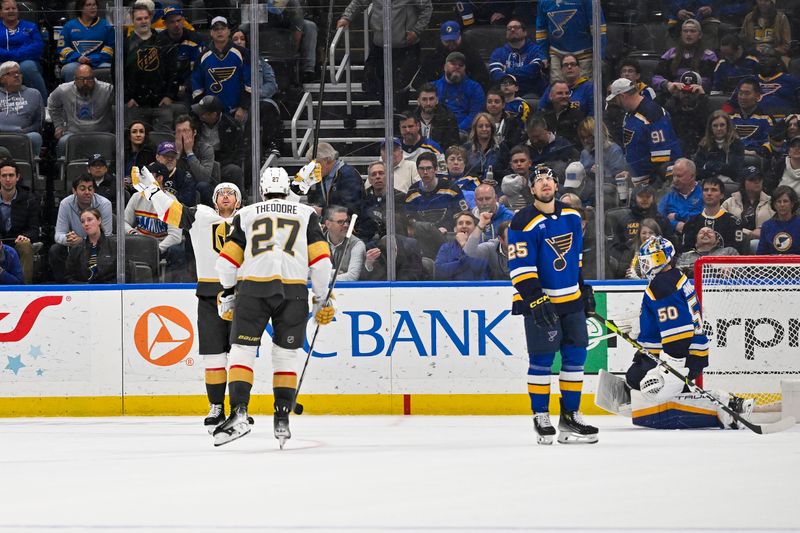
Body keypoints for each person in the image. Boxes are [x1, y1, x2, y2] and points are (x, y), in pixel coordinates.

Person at [212, 166, 334, 446]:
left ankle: (239, 412)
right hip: (293, 291)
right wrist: (321, 297)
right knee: (286, 356)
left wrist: (228, 292)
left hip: (253, 289)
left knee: (242, 350)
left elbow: (226, 262)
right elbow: (322, 262)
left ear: (263, 189)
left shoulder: (247, 214)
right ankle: (282, 417)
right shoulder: (306, 215)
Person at [132, 164, 246, 434]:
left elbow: (280, 219)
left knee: (242, 354)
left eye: (231, 193)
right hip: (208, 293)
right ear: (214, 200)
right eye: (221, 193)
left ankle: (240, 408)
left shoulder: (250, 219)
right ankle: (216, 406)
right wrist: (152, 191)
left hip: (243, 295)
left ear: (239, 200)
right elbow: (173, 212)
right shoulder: (202, 216)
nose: (226, 196)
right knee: (214, 356)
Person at [621, 235, 754, 430]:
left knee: (645, 385)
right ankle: (728, 403)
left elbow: (678, 333)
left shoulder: (662, 285)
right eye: (647, 260)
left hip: (681, 355)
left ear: (667, 258)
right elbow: (671, 317)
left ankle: (725, 411)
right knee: (636, 376)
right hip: (690, 352)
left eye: (655, 259)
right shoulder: (673, 277)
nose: (650, 265)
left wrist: (671, 367)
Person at [507, 164, 597, 445]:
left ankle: (570, 416)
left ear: (557, 186)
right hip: (539, 302)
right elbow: (519, 268)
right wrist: (535, 298)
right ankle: (541, 415)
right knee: (542, 360)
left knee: (575, 358)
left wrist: (584, 288)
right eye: (539, 180)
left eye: (550, 179)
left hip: (571, 301)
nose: (545, 183)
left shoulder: (572, 216)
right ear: (531, 189)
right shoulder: (522, 221)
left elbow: (575, 261)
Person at [338, 0, 431, 112]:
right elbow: (359, 2)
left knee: (400, 87)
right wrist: (346, 17)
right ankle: (388, 112)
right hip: (380, 45)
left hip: (406, 48)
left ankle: (399, 118)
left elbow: (427, 7)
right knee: (373, 79)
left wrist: (417, 31)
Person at [606, 78, 682, 189]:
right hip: (638, 180)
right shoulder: (629, 114)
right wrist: (631, 171)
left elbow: (661, 159)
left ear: (622, 96)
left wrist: (640, 177)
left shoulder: (653, 114)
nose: (616, 104)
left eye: (616, 99)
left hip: (656, 181)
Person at [124, 162, 184, 276]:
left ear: (159, 178)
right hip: (139, 243)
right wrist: (133, 233)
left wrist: (155, 249)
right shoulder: (136, 197)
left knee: (177, 251)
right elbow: (124, 222)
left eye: (148, 175)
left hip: (161, 247)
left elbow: (175, 236)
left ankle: (171, 287)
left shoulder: (172, 202)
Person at [51, 175, 114, 282]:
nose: (87, 192)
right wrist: (68, 238)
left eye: (90, 188)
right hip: (74, 247)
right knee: (55, 250)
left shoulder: (104, 204)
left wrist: (84, 241)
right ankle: (64, 286)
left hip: (99, 245)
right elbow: (58, 234)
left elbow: (107, 235)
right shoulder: (65, 204)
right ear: (74, 191)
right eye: (82, 188)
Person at [191, 16, 251, 123]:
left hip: (237, 112)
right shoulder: (202, 56)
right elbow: (197, 86)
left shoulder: (242, 53)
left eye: (222, 29)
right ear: (211, 33)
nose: (220, 32)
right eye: (216, 29)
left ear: (228, 31)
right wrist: (205, 110)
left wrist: (243, 107)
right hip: (211, 114)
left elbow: (249, 83)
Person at [124, 2, 173, 131]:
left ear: (151, 18)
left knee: (163, 142)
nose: (143, 21)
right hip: (136, 105)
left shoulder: (163, 41)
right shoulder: (125, 44)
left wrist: (169, 95)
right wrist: (127, 98)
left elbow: (172, 70)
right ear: (133, 21)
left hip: (161, 103)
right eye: (139, 19)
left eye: (146, 18)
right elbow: (116, 73)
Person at [48, 64, 115, 156]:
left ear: (94, 78)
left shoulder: (107, 90)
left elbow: (121, 105)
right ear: (75, 79)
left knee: (116, 144)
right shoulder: (63, 90)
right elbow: (52, 104)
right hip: (73, 133)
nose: (85, 82)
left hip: (102, 133)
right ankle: (63, 169)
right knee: (62, 143)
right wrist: (59, 125)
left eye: (89, 79)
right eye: (81, 79)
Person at [534, 0, 605, 81]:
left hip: (584, 53)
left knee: (584, 88)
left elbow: (598, 30)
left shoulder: (590, 1)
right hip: (557, 52)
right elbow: (541, 29)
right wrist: (543, 55)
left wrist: (599, 55)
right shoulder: (544, 2)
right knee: (557, 88)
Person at [404, 152, 468, 231]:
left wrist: (447, 227)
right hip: (422, 236)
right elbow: (409, 216)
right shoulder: (412, 192)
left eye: (429, 168)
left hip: (447, 234)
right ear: (417, 170)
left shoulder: (452, 189)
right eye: (421, 168)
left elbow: (462, 214)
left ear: (436, 169)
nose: (425, 172)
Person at [155, 6, 204, 109]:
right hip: (165, 89)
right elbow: (158, 71)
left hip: (189, 88)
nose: (176, 25)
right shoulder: (158, 41)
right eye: (172, 22)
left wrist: (186, 86)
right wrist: (168, 93)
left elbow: (198, 69)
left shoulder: (195, 39)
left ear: (184, 21)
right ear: (165, 24)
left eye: (179, 20)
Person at [192, 95, 245, 191]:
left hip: (222, 161)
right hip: (199, 159)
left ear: (214, 114)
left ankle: (238, 199)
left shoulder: (232, 126)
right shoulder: (194, 122)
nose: (200, 115)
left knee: (234, 170)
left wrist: (219, 165)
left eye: (203, 113)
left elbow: (238, 152)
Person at [418, 21, 491, 90]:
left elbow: (481, 77)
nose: (451, 44)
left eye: (454, 40)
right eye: (447, 41)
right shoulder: (433, 58)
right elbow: (424, 80)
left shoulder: (472, 54)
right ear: (441, 38)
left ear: (460, 36)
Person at [652, 19, 718, 96]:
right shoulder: (670, 54)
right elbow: (656, 77)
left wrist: (690, 87)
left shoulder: (709, 56)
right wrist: (667, 84)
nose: (688, 34)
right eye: (685, 31)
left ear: (700, 35)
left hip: (697, 94)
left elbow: (709, 81)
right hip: (674, 94)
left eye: (692, 31)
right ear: (681, 34)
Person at [0, 159, 38, 284]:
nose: (7, 179)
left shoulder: (29, 199)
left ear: (17, 177)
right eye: (4, 175)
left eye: (11, 175)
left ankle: (24, 290)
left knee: (25, 246)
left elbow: (34, 229)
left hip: (18, 241)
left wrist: (25, 237)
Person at [0, 0, 46, 101]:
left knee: (27, 67)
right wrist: (11, 57)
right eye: (7, 9)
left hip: (27, 61)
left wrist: (12, 55)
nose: (11, 11)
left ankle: (43, 105)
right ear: (1, 12)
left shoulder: (30, 26)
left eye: (14, 8)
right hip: (2, 62)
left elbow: (38, 47)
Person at [58, 0, 114, 82]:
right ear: (80, 8)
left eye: (94, 5)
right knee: (69, 70)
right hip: (76, 62)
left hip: (100, 62)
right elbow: (63, 48)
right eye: (88, 5)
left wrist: (94, 59)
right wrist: (78, 57)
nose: (93, 7)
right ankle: (73, 95)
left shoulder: (107, 25)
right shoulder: (69, 26)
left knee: (109, 70)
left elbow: (110, 47)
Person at [489, 19, 546, 97]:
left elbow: (533, 71)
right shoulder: (498, 53)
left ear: (525, 32)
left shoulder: (536, 50)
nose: (512, 30)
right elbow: (496, 75)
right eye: (509, 28)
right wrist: (523, 75)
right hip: (505, 95)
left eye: (516, 27)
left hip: (531, 93)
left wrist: (506, 70)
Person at [433, 52, 486, 134]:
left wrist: (457, 131)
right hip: (436, 131)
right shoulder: (433, 87)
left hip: (465, 133)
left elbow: (475, 114)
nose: (457, 67)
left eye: (461, 65)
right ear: (445, 67)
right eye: (453, 64)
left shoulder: (475, 88)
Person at [0, 60, 43, 157]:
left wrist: (25, 131)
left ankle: (31, 170)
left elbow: (38, 123)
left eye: (18, 73)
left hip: (23, 135)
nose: (16, 76)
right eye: (10, 73)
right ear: (2, 79)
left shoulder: (34, 94)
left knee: (35, 137)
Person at [663, 70, 710, 157]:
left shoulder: (704, 107)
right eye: (684, 92)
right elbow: (659, 112)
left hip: (698, 151)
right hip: (676, 151)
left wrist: (702, 97)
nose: (686, 95)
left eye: (691, 92)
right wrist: (672, 94)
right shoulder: (673, 106)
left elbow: (709, 120)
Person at [65, 207, 117, 284]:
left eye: (89, 220)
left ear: (99, 220)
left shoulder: (114, 246)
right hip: (83, 292)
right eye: (83, 222)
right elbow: (69, 277)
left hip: (110, 292)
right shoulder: (76, 250)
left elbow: (125, 274)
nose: (86, 224)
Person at [694, 110, 745, 187]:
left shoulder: (736, 143)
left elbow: (734, 171)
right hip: (707, 184)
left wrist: (709, 166)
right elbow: (697, 171)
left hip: (730, 185)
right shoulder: (704, 144)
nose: (719, 128)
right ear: (710, 128)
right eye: (715, 126)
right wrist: (719, 170)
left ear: (727, 126)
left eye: (722, 125)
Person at [173, 113, 216, 206]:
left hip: (198, 187)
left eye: (185, 131)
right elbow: (166, 176)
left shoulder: (206, 148)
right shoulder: (169, 150)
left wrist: (189, 153)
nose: (182, 135)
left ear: (194, 132)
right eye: (179, 131)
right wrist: (177, 154)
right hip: (178, 187)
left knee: (203, 186)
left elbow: (204, 178)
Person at [434, 211, 489, 281]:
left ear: (475, 228)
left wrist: (464, 244)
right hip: (451, 288)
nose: (464, 226)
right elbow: (439, 272)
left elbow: (477, 267)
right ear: (455, 229)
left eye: (468, 223)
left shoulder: (483, 246)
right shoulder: (446, 247)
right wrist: (463, 263)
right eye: (460, 223)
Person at [658, 158, 704, 241]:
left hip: (699, 238)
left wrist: (677, 216)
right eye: (674, 176)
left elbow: (703, 218)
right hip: (672, 239)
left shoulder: (704, 194)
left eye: (679, 176)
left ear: (692, 176)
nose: (675, 180)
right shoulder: (668, 197)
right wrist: (675, 224)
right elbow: (658, 220)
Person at [727, 78, 773, 155]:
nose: (743, 97)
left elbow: (770, 143)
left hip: (755, 158)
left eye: (747, 93)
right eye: (740, 93)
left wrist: (755, 152)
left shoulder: (766, 119)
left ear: (758, 96)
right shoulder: (728, 117)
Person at [576, 117, 627, 187]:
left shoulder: (614, 151)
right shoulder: (584, 153)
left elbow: (620, 180)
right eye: (583, 137)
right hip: (588, 192)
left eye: (588, 137)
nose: (586, 141)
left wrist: (603, 173)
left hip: (608, 193)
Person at [413, 83, 460, 152]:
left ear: (437, 100)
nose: (428, 103)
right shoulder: (412, 118)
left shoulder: (448, 118)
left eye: (431, 99)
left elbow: (452, 147)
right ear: (418, 101)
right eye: (424, 99)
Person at [324, 205, 365, 281]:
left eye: (347, 221)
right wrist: (334, 272)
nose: (346, 225)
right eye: (340, 222)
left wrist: (323, 277)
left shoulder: (357, 244)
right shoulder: (317, 242)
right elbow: (308, 271)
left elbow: (352, 277)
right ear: (328, 224)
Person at [463, 112, 509, 181]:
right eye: (480, 126)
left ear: (492, 128)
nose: (484, 129)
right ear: (475, 128)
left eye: (487, 126)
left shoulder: (502, 148)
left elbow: (506, 172)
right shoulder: (466, 148)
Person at [540, 80, 585, 148]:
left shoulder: (577, 115)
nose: (564, 96)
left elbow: (580, 142)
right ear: (550, 96)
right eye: (560, 93)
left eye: (567, 93)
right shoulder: (542, 116)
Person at [757, 185, 800, 254]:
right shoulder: (767, 226)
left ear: (792, 204)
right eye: (778, 201)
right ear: (774, 205)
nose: (782, 205)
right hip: (772, 264)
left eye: (785, 201)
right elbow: (761, 254)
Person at [124, 120, 156, 193]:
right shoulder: (121, 151)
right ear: (129, 136)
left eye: (141, 131)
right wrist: (120, 181)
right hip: (122, 190)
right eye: (134, 132)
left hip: (143, 190)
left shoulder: (151, 152)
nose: (138, 135)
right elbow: (112, 171)